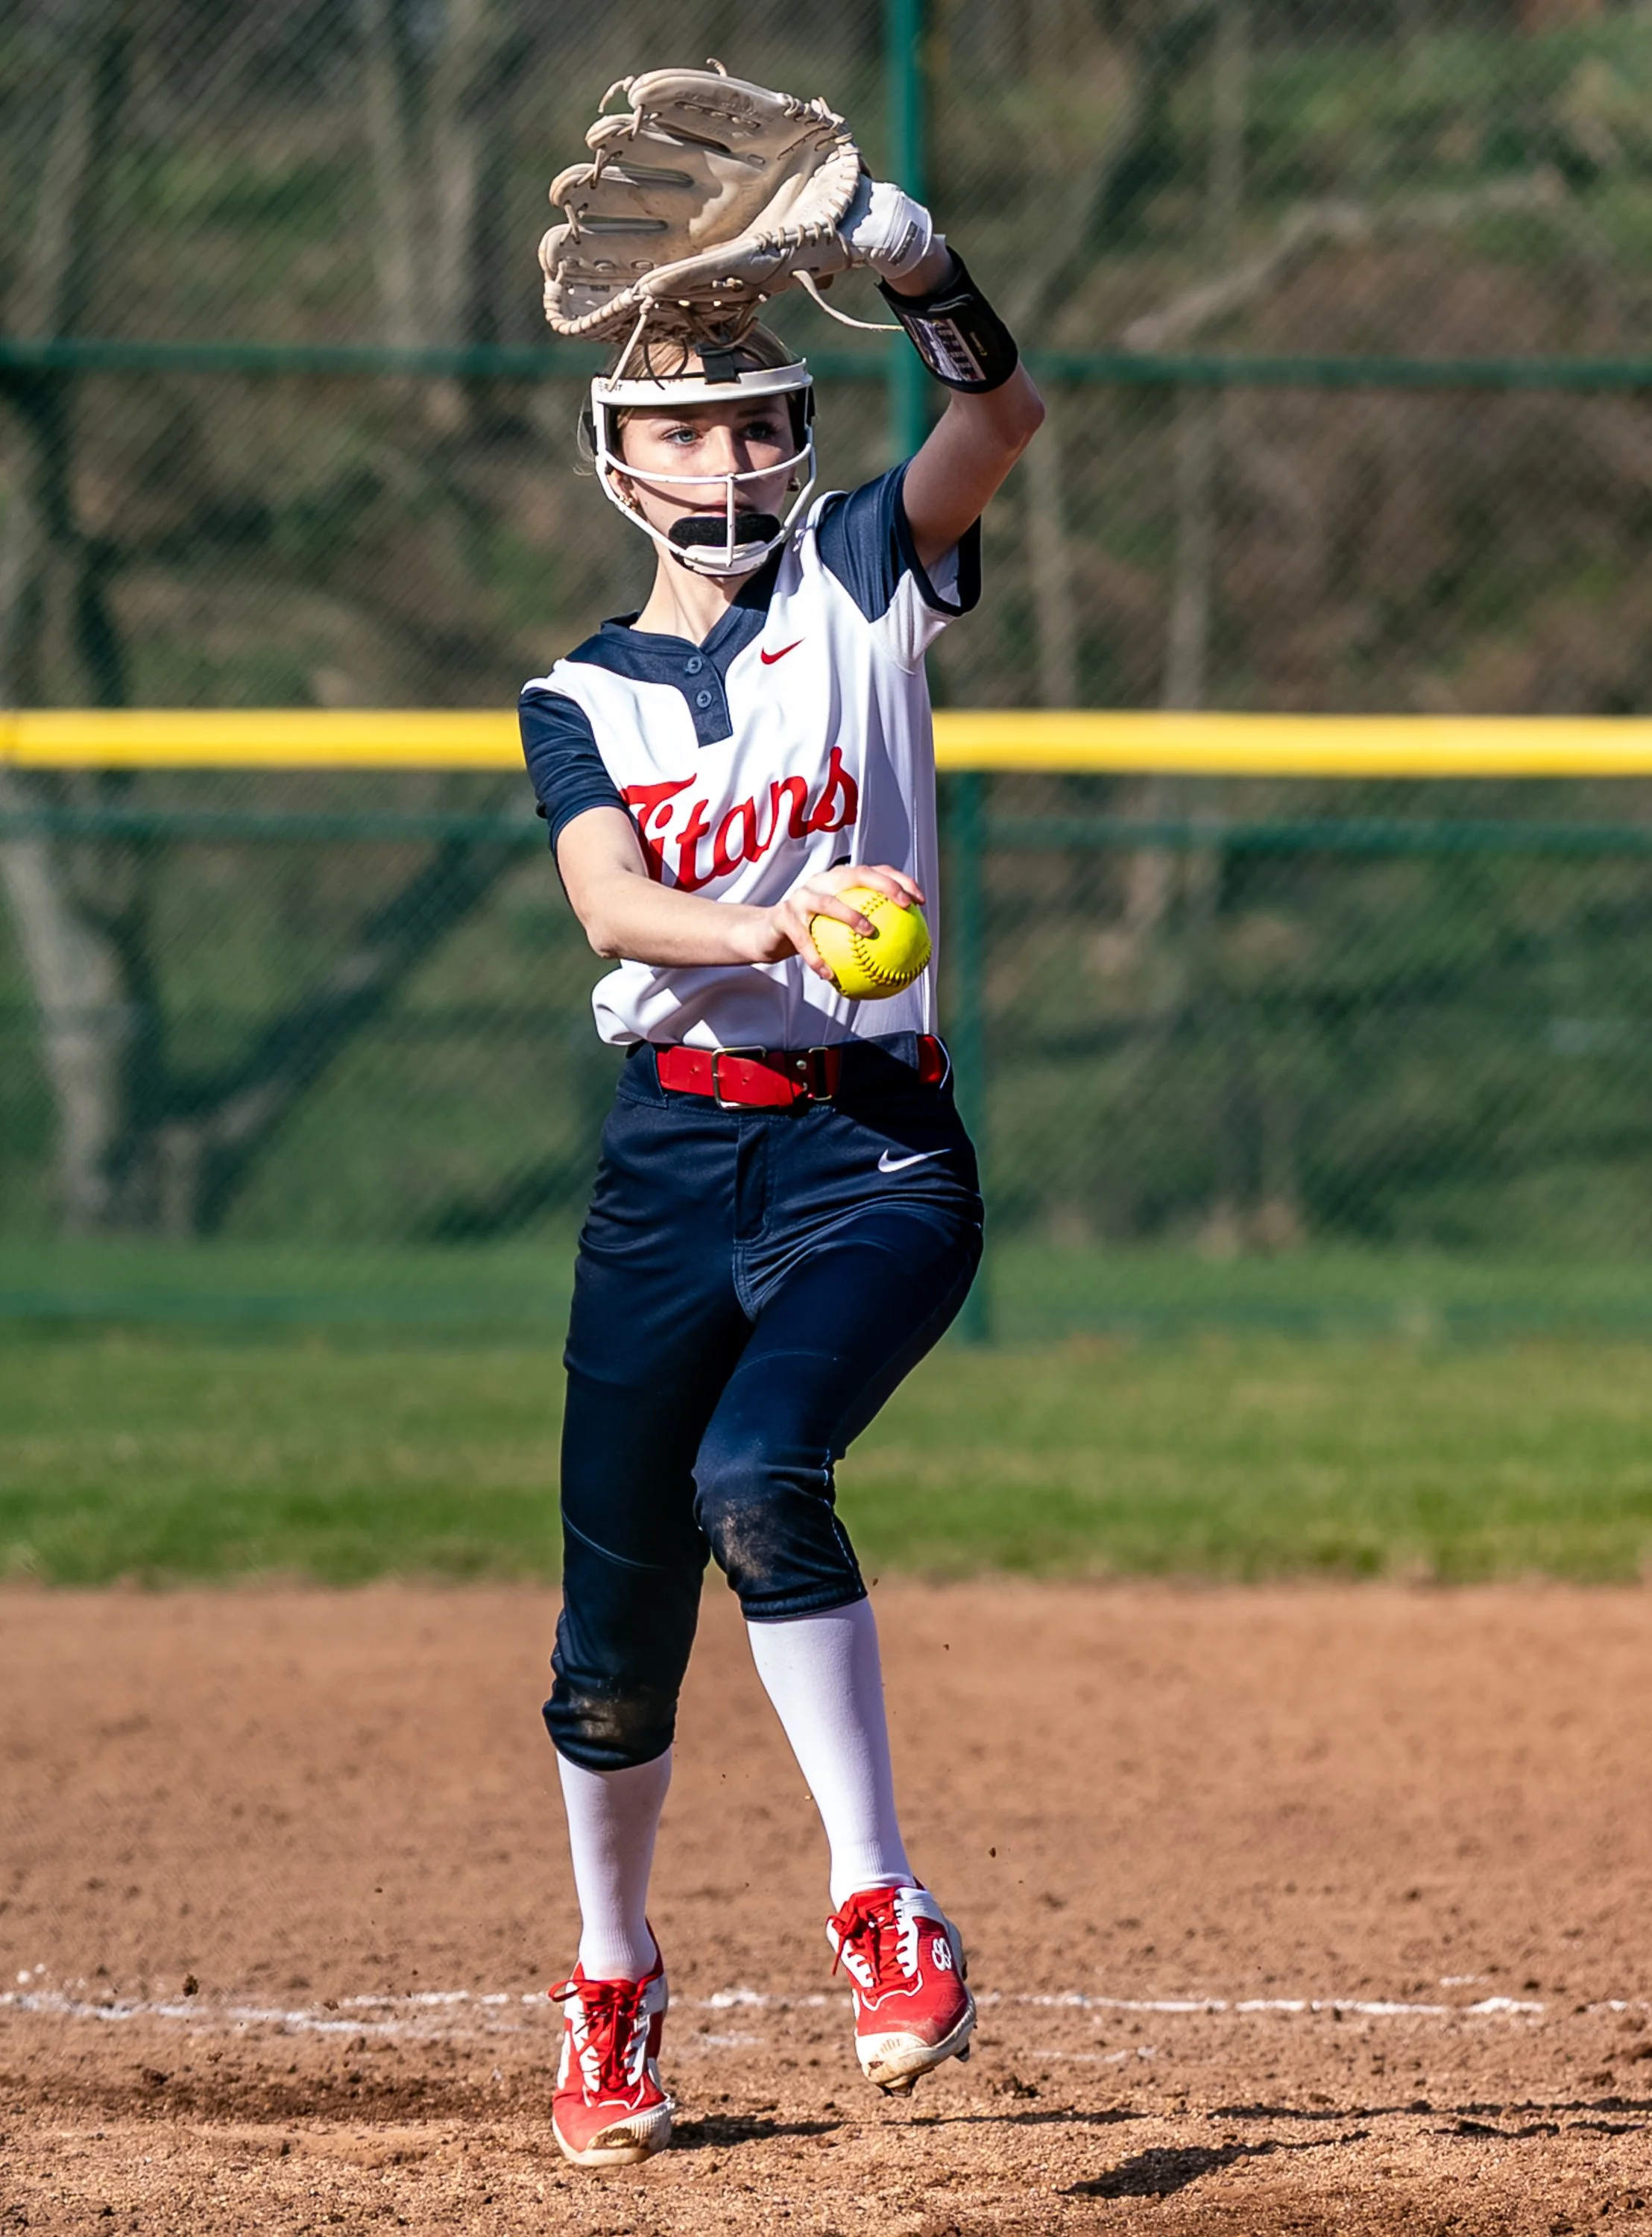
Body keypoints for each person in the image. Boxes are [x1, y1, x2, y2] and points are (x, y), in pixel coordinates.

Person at [517, 165, 1044, 2170]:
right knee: (607, 1652)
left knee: (761, 1472)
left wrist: (916, 265)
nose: (724, 453)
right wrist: (756, 927)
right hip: (672, 1180)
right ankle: (611, 1972)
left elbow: (998, 424)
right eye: (679, 426)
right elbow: (606, 900)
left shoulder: (857, 574)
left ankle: (877, 1904)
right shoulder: (582, 695)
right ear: (616, 461)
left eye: (753, 416)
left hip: (873, 1158)